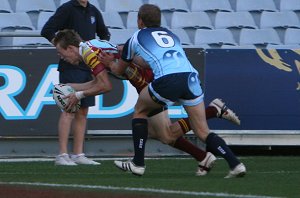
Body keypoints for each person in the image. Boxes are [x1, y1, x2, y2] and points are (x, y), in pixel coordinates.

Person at [53, 29, 242, 176]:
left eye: (62, 54)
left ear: (70, 48)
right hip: (145, 82)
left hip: (149, 82)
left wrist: (77, 95)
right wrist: (73, 87)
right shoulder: (90, 47)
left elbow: (105, 86)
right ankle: (204, 152)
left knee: (160, 130)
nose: (63, 58)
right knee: (161, 134)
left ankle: (139, 163)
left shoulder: (88, 52)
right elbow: (99, 81)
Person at [99, 4, 246, 178]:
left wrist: (109, 63)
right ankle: (235, 164)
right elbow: (149, 61)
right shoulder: (171, 34)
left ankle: (138, 163)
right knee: (202, 132)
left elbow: (118, 70)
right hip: (191, 78)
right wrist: (132, 59)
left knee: (140, 110)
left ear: (140, 21)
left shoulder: (136, 37)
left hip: (168, 80)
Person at [41, 0, 110, 165]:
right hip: (70, 67)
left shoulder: (93, 10)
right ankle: (62, 154)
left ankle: (78, 154)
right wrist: (61, 48)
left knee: (83, 111)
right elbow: (47, 30)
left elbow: (104, 33)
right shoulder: (67, 8)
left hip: (88, 65)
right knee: (69, 108)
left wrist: (99, 51)